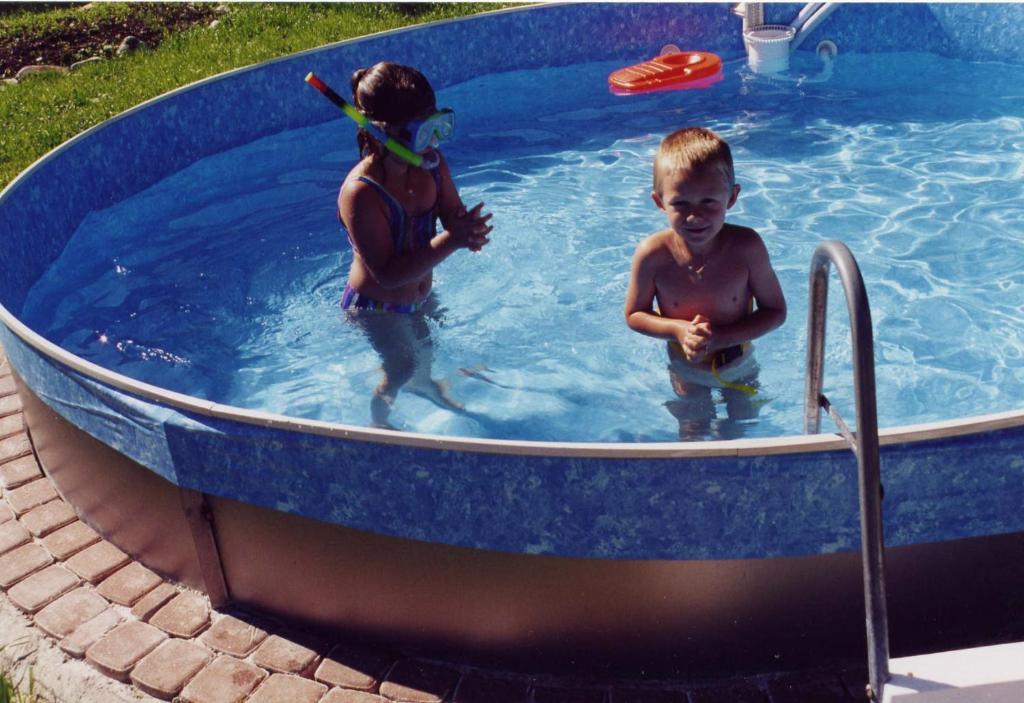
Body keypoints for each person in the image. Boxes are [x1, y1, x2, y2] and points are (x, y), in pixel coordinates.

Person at [336, 61, 492, 428]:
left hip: (420, 294)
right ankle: (379, 423)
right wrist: (452, 240)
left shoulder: (433, 167)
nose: (433, 142)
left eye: (437, 127)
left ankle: (426, 387)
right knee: (402, 367)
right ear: (380, 133)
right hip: (377, 306)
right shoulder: (362, 194)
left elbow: (451, 214)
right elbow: (388, 275)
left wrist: (466, 229)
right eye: (422, 133)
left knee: (425, 356)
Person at [623, 127, 786, 438]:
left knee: (742, 428)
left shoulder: (746, 248)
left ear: (732, 197)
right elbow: (634, 314)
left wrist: (723, 337)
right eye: (681, 204)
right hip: (686, 368)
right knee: (692, 430)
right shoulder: (652, 255)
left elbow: (776, 311)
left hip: (738, 364)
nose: (695, 216)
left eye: (709, 202)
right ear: (659, 202)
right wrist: (678, 330)